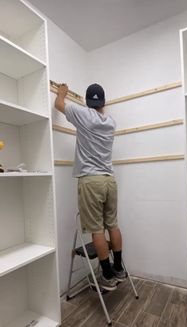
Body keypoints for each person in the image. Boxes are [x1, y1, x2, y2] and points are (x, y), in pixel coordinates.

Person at [55, 83, 126, 291]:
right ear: (103, 102)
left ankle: (106, 275)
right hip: (109, 180)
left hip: (91, 181)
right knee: (112, 225)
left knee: (96, 230)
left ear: (87, 102)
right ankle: (118, 268)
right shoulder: (111, 122)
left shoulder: (83, 114)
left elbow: (59, 104)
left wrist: (61, 93)